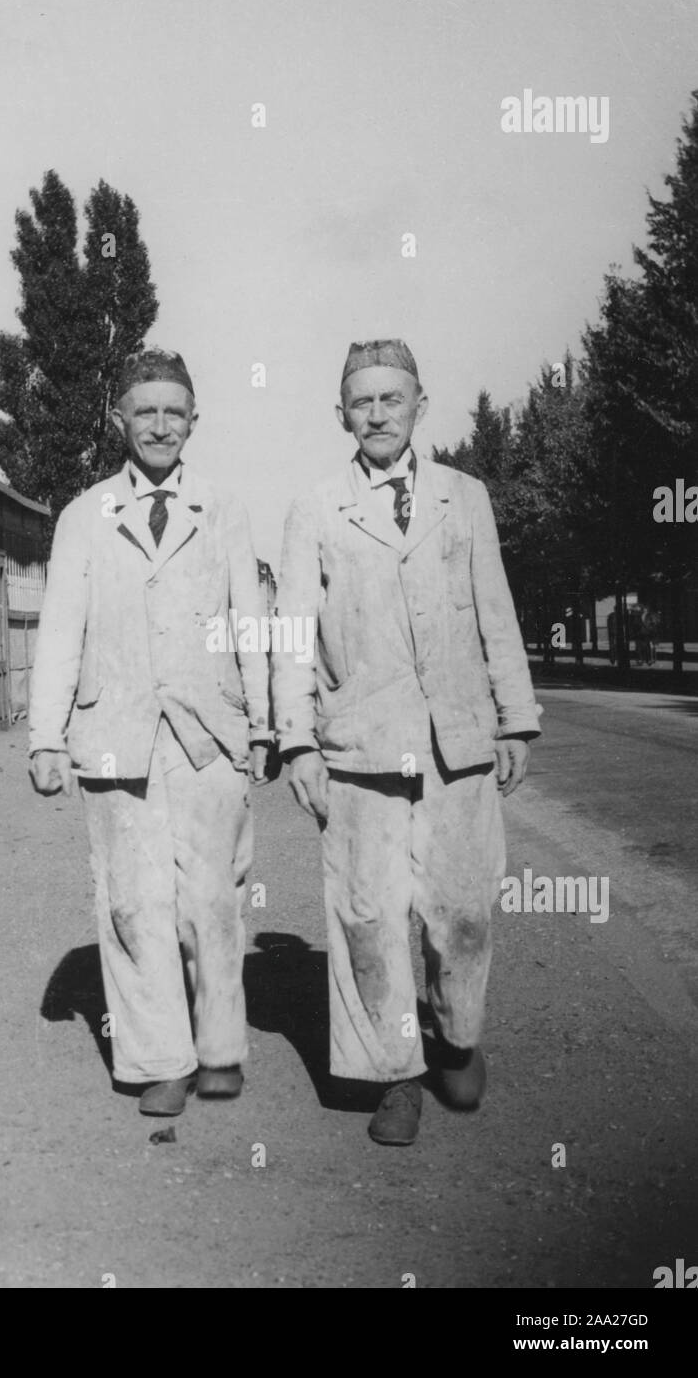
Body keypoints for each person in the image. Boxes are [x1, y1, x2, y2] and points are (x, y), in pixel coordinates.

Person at [272, 338, 540, 1146]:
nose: (378, 413)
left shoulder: (466, 496)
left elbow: (494, 607)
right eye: (363, 401)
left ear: (420, 404)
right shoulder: (316, 509)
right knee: (369, 915)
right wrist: (296, 743)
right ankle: (397, 1074)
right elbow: (289, 634)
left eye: (393, 398)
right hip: (358, 744)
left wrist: (516, 716)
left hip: (457, 739)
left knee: (459, 910)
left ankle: (455, 1033)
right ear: (341, 416)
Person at [28, 347, 272, 1117]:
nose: (160, 426)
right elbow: (60, 632)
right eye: (145, 412)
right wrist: (44, 735)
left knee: (211, 899)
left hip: (210, 733)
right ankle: (158, 1058)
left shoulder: (225, 509)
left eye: (174, 412)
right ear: (119, 420)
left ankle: (219, 1046)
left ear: (193, 420)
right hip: (114, 733)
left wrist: (264, 724)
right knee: (133, 903)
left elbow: (251, 624)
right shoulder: (83, 516)